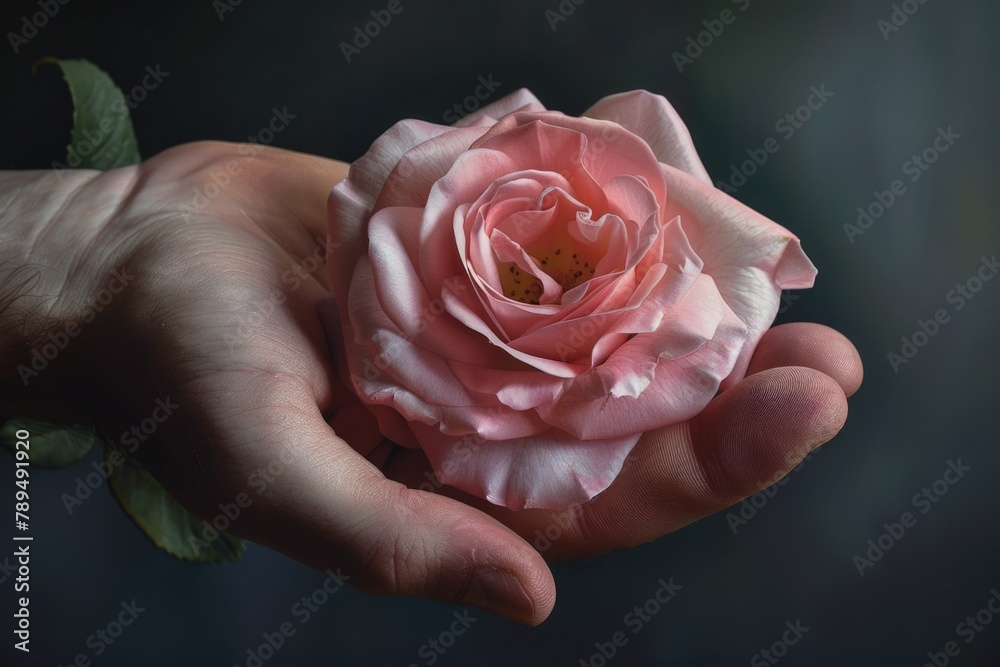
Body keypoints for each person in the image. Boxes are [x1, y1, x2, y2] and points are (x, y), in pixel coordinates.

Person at [0, 141, 862, 626]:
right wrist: (78, 250)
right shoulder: (396, 290)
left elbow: (737, 264)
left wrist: (83, 246)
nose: (543, 274)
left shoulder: (694, 286)